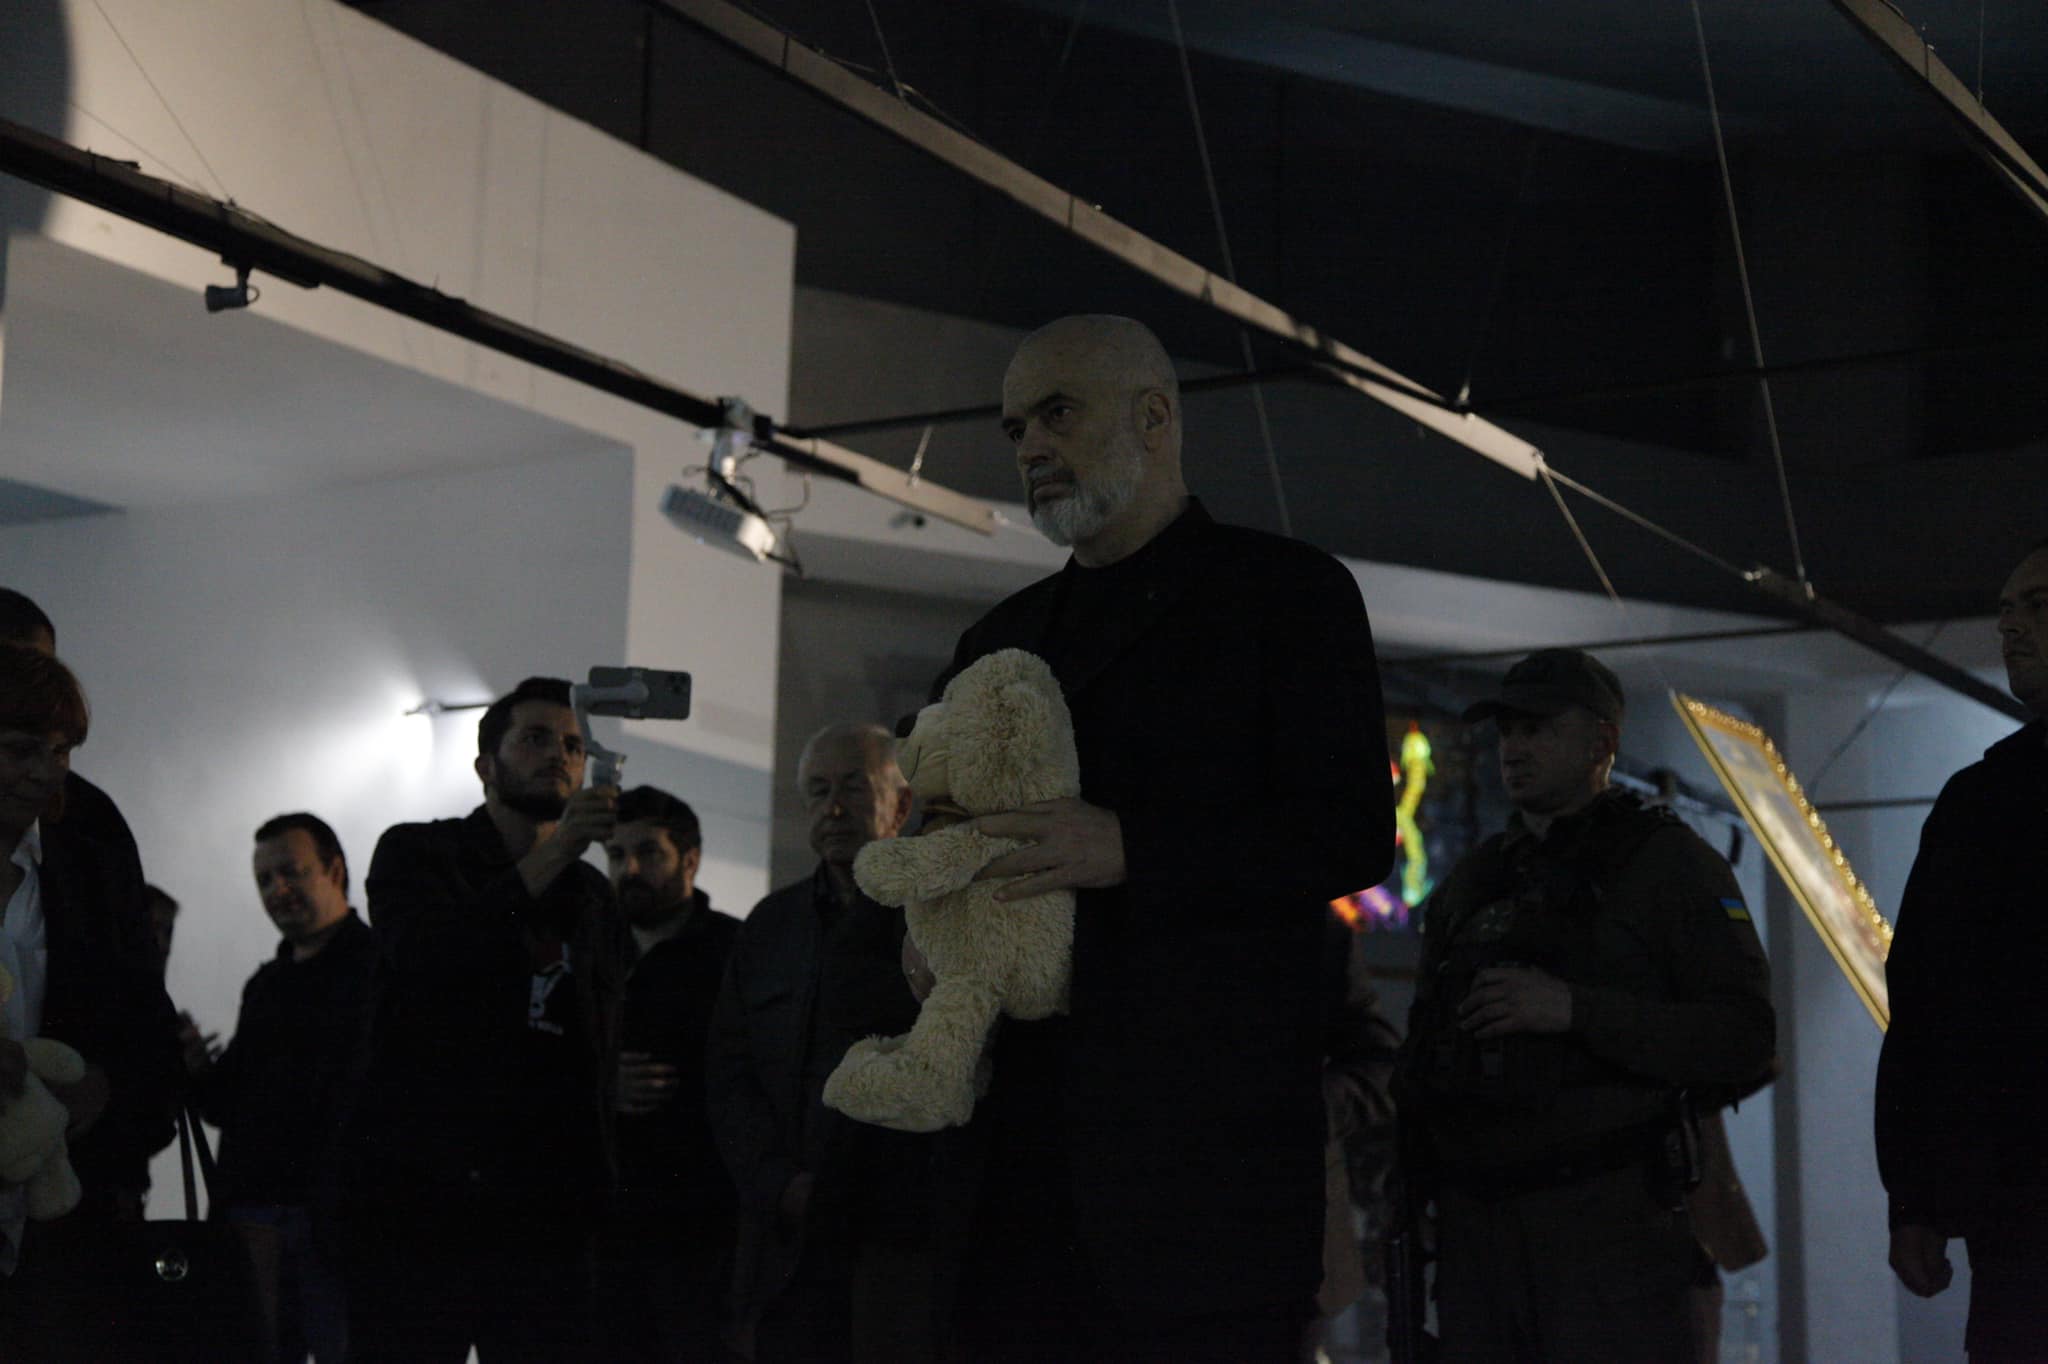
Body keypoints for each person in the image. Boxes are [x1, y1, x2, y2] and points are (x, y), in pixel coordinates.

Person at [927, 315, 1395, 1363]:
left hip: (1205, 1180)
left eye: (1056, 412)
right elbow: (939, 831)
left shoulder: (1287, 596)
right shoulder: (998, 639)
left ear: (1154, 416)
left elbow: (1350, 832)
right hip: (1021, 1175)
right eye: (1014, 428)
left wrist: (1134, 847)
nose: (1030, 447)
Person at [1397, 647, 1774, 1362]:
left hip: (1609, 1228)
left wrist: (1575, 1011)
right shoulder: (1475, 881)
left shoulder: (1669, 865)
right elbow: (1423, 1052)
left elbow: (1744, 1035)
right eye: (1507, 730)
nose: (1514, 748)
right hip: (1480, 1234)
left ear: (1601, 742)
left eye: (1538, 728)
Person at [344, 676, 627, 1363]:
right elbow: (429, 956)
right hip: (424, 1197)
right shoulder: (417, 853)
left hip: (547, 1207)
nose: (559, 755)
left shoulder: (590, 892)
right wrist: (557, 851)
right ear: (485, 766)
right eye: (534, 739)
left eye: (573, 745)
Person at [708, 723, 934, 1363]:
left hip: (902, 1236)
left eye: (853, 788)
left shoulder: (938, 918)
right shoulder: (770, 927)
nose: (833, 808)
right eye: (817, 790)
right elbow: (730, 1072)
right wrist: (779, 1184)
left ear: (901, 805)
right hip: (787, 1238)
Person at [1876, 538, 2048, 1363]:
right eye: (2006, 611)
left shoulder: (1985, 801)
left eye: (2038, 607)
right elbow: (1923, 1003)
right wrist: (1914, 1199)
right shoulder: (1981, 803)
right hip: (2020, 1215)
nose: (2010, 628)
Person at [0, 643, 182, 1354]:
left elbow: (140, 1011)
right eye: (21, 750)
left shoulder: (86, 851)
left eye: (61, 751)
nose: (46, 772)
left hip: (63, 1217)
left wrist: (105, 1091)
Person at [181, 813, 376, 1364]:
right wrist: (196, 1068)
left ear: (334, 870)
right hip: (256, 1220)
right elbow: (229, 1104)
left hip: (338, 1223)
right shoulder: (267, 985)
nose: (277, 890)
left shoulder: (379, 970)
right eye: (265, 880)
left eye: (291, 872)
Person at [598, 785, 741, 1362]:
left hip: (702, 1230)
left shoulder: (735, 951)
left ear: (690, 859)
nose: (629, 869)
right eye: (615, 854)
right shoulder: (591, 950)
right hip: (606, 1228)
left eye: (648, 853)